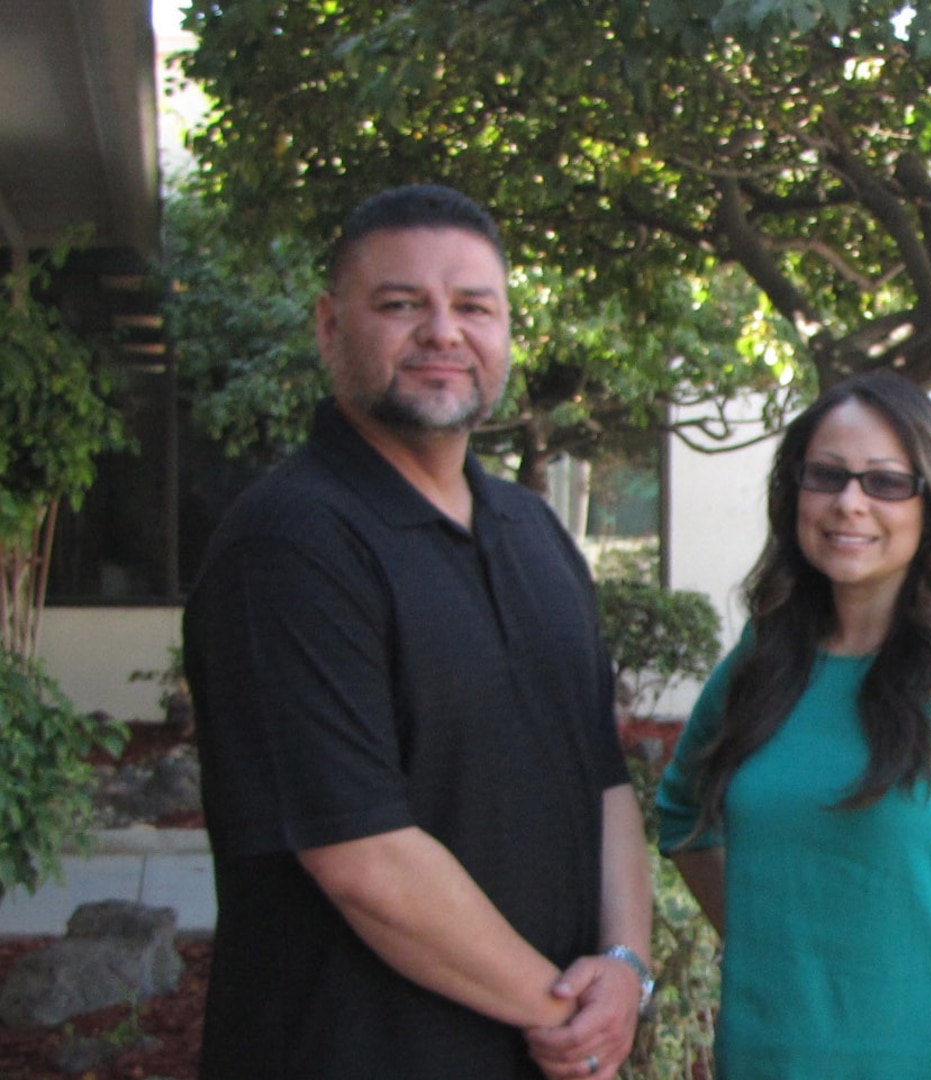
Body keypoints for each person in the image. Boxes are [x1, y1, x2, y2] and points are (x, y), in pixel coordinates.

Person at [183, 184, 652, 1080]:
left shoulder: (532, 531)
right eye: (402, 305)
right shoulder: (290, 544)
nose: (443, 331)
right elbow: (362, 857)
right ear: (329, 326)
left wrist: (625, 970)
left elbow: (604, 781)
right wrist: (572, 1016)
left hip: (541, 1050)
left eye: (474, 306)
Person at [655, 371, 931, 1079]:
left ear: (930, 503)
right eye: (826, 476)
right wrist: (774, 943)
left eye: (885, 482)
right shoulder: (763, 661)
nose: (848, 503)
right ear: (793, 492)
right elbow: (681, 813)